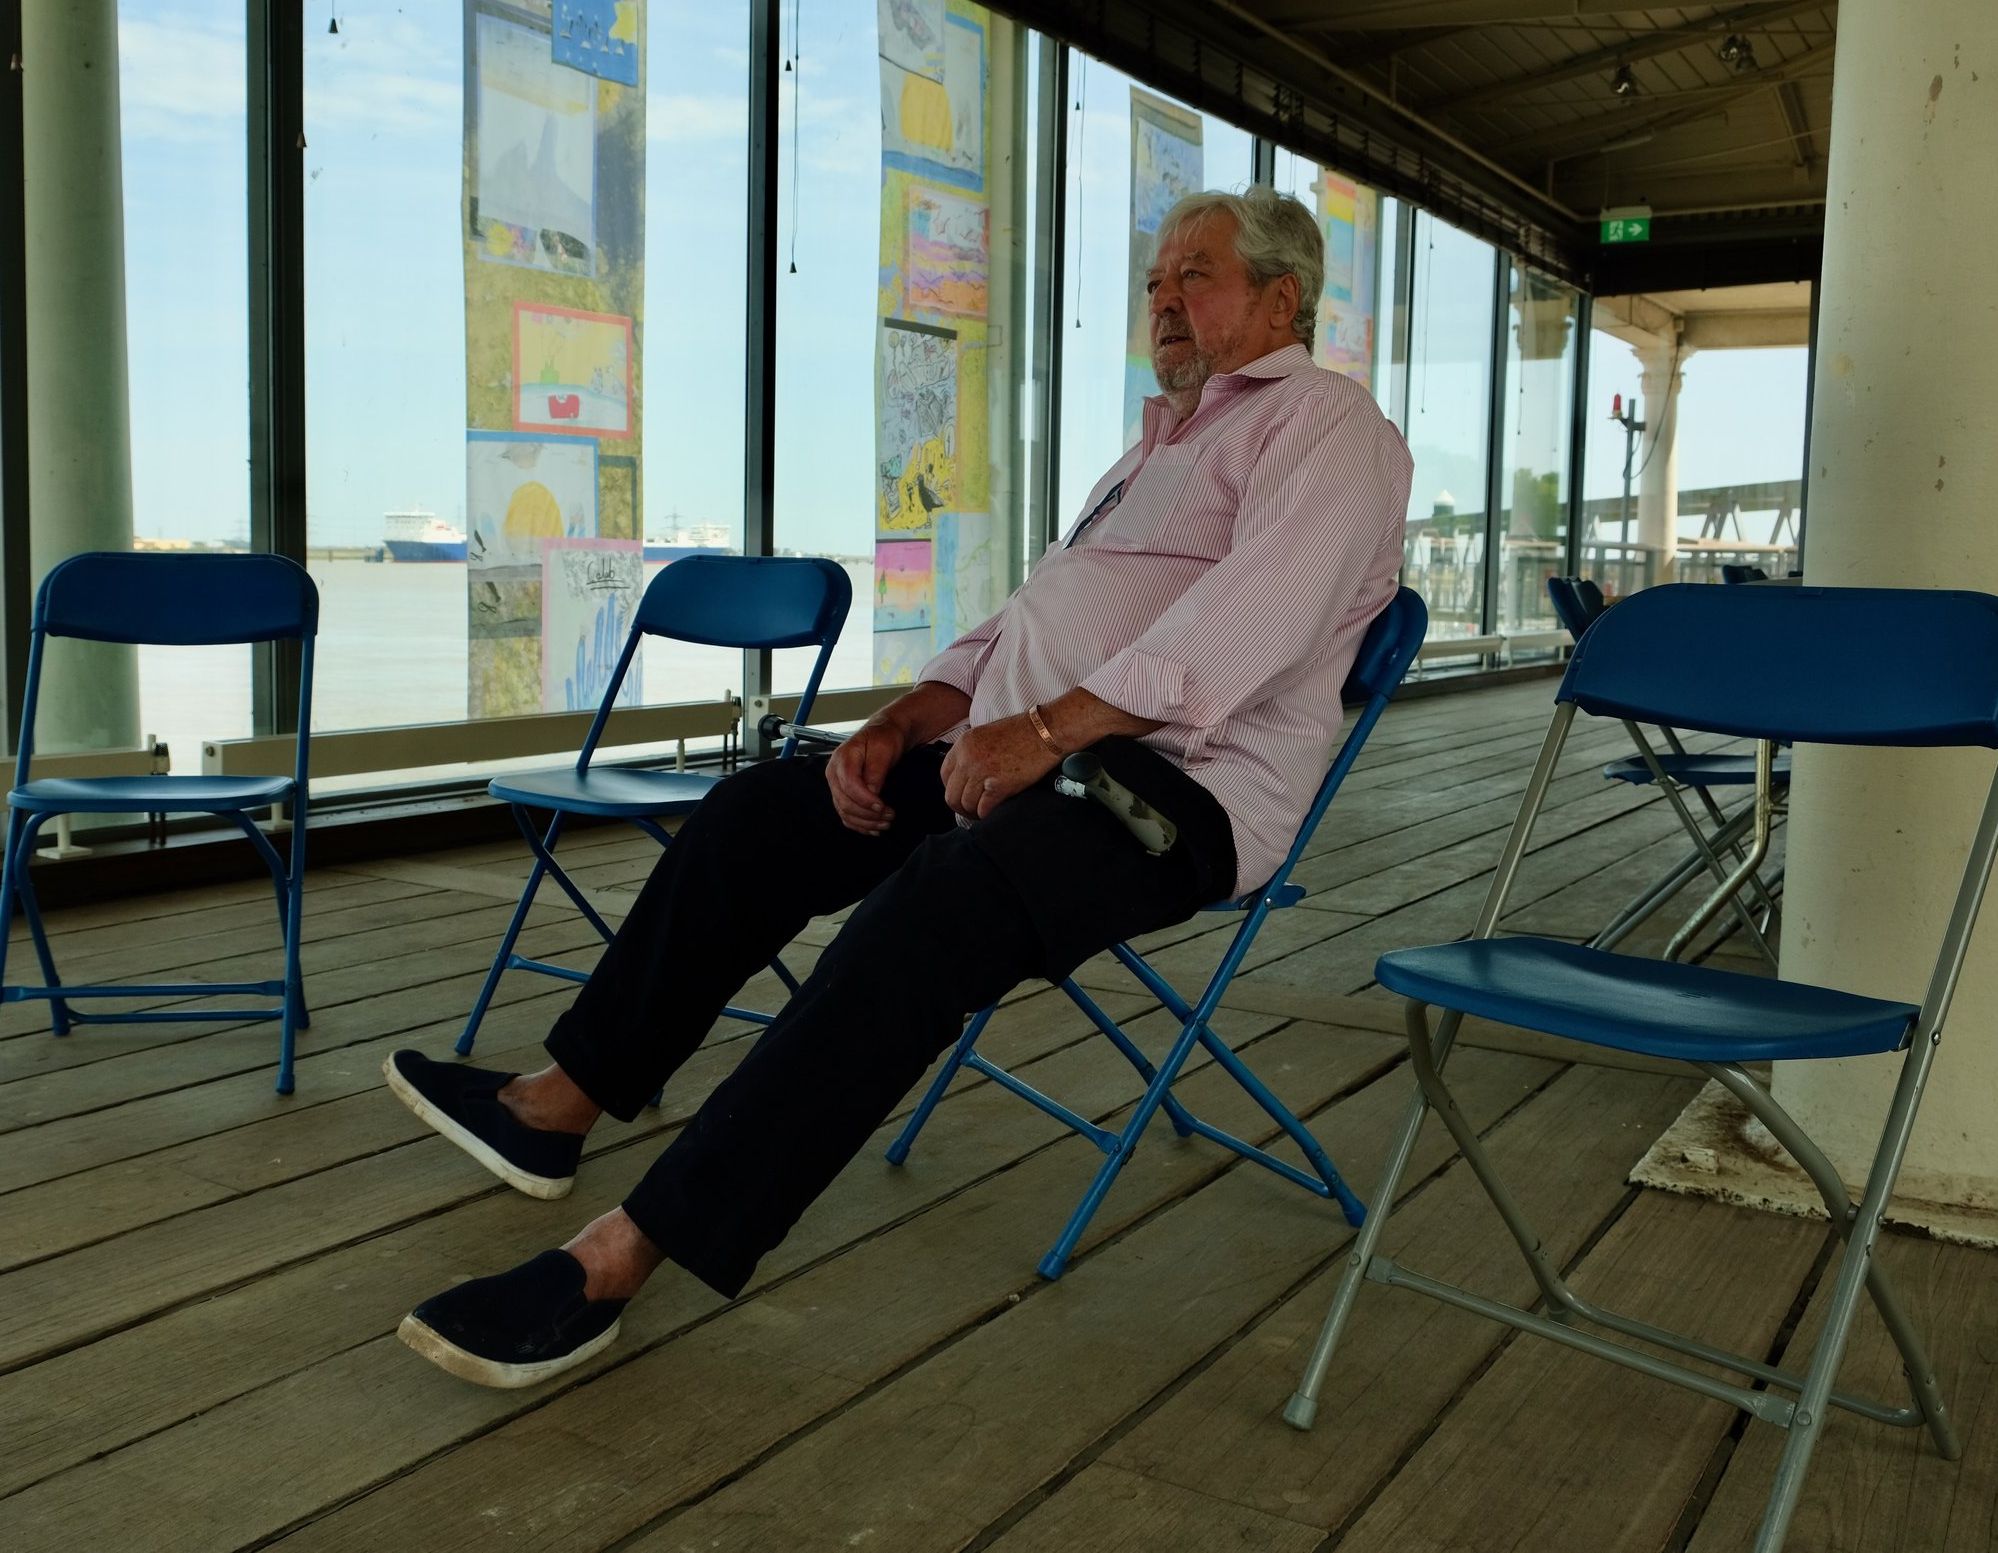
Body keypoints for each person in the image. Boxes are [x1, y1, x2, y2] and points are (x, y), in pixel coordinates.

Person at [381, 183, 1415, 1389]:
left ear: (1282, 300)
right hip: (1021, 752)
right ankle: (557, 1103)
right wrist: (910, 716)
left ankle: (618, 1259)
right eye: (1153, 282)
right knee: (761, 816)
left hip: (1171, 791)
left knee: (931, 911)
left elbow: (1253, 622)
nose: (1164, 301)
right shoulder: (1155, 445)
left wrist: (1044, 728)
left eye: (1196, 274)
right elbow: (1028, 616)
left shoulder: (1328, 425)